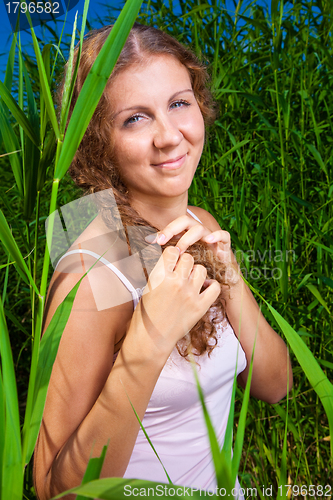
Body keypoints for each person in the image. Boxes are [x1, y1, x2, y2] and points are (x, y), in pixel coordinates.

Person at [33, 23, 293, 500]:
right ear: (97, 141)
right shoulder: (93, 272)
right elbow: (56, 490)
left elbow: (276, 386)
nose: (170, 137)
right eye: (135, 118)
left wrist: (230, 281)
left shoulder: (199, 220)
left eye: (178, 103)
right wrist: (149, 340)